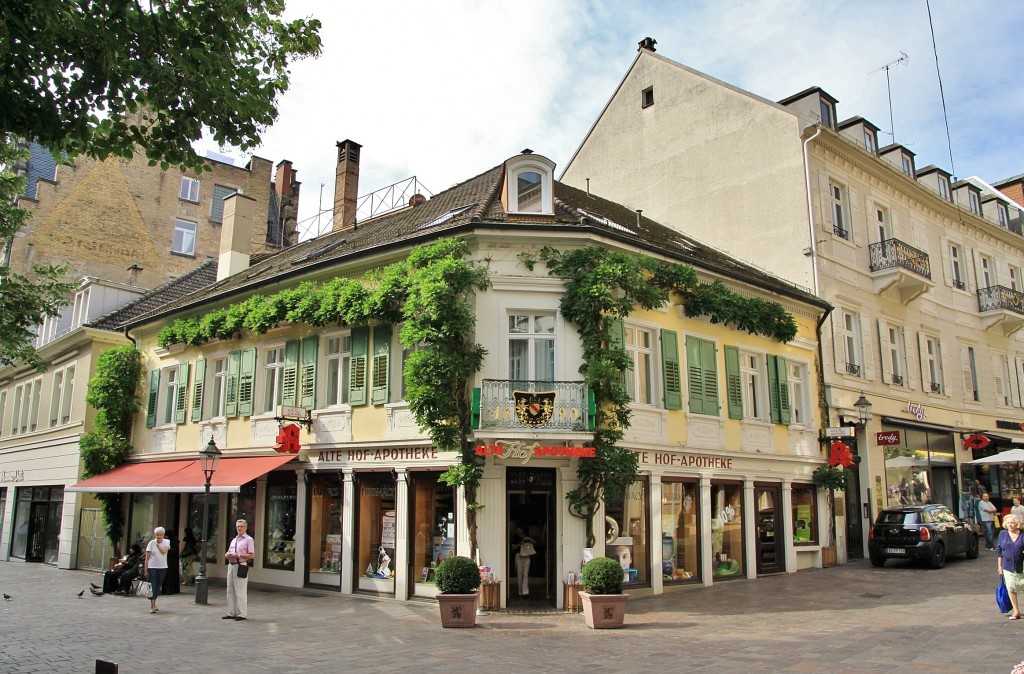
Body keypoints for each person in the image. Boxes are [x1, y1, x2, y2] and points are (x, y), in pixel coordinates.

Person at [223, 519, 255, 621]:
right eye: (238, 526)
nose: (239, 528)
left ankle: (242, 613)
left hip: (240, 565)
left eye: (241, 526)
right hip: (231, 565)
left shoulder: (249, 540)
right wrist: (227, 555)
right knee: (230, 590)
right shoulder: (234, 540)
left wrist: (239, 555)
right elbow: (227, 552)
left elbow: (252, 555)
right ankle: (232, 612)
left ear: (245, 527)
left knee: (240, 591)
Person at [997, 514, 1024, 620]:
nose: (1010, 525)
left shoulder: (1022, 534)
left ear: (1017, 524)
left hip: (1022, 565)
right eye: (1008, 523)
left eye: (1012, 523)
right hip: (1007, 565)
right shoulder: (1002, 534)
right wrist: (999, 565)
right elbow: (999, 550)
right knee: (1011, 587)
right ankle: (1016, 611)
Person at [143, 527, 171, 613]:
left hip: (163, 567)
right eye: (157, 535)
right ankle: (152, 605)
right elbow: (147, 558)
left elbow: (164, 551)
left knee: (158, 585)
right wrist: (145, 570)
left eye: (161, 535)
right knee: (154, 585)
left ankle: (154, 603)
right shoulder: (151, 543)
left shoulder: (167, 542)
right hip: (152, 567)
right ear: (155, 535)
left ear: (163, 535)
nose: (159, 536)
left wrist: (158, 544)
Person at [511, 526, 534, 598]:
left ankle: (525, 592)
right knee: (519, 574)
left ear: (522, 529)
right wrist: (520, 543)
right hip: (519, 556)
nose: (517, 530)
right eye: (517, 529)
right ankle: (520, 592)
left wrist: (530, 539)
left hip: (527, 556)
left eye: (519, 529)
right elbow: (513, 547)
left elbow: (535, 543)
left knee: (525, 574)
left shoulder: (527, 537)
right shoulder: (515, 537)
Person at [161, 529, 181, 595]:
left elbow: (174, 550)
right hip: (169, 560)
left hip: (171, 560)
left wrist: (167, 550)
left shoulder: (173, 541)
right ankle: (167, 589)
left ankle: (169, 589)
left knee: (169, 575)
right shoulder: (171, 540)